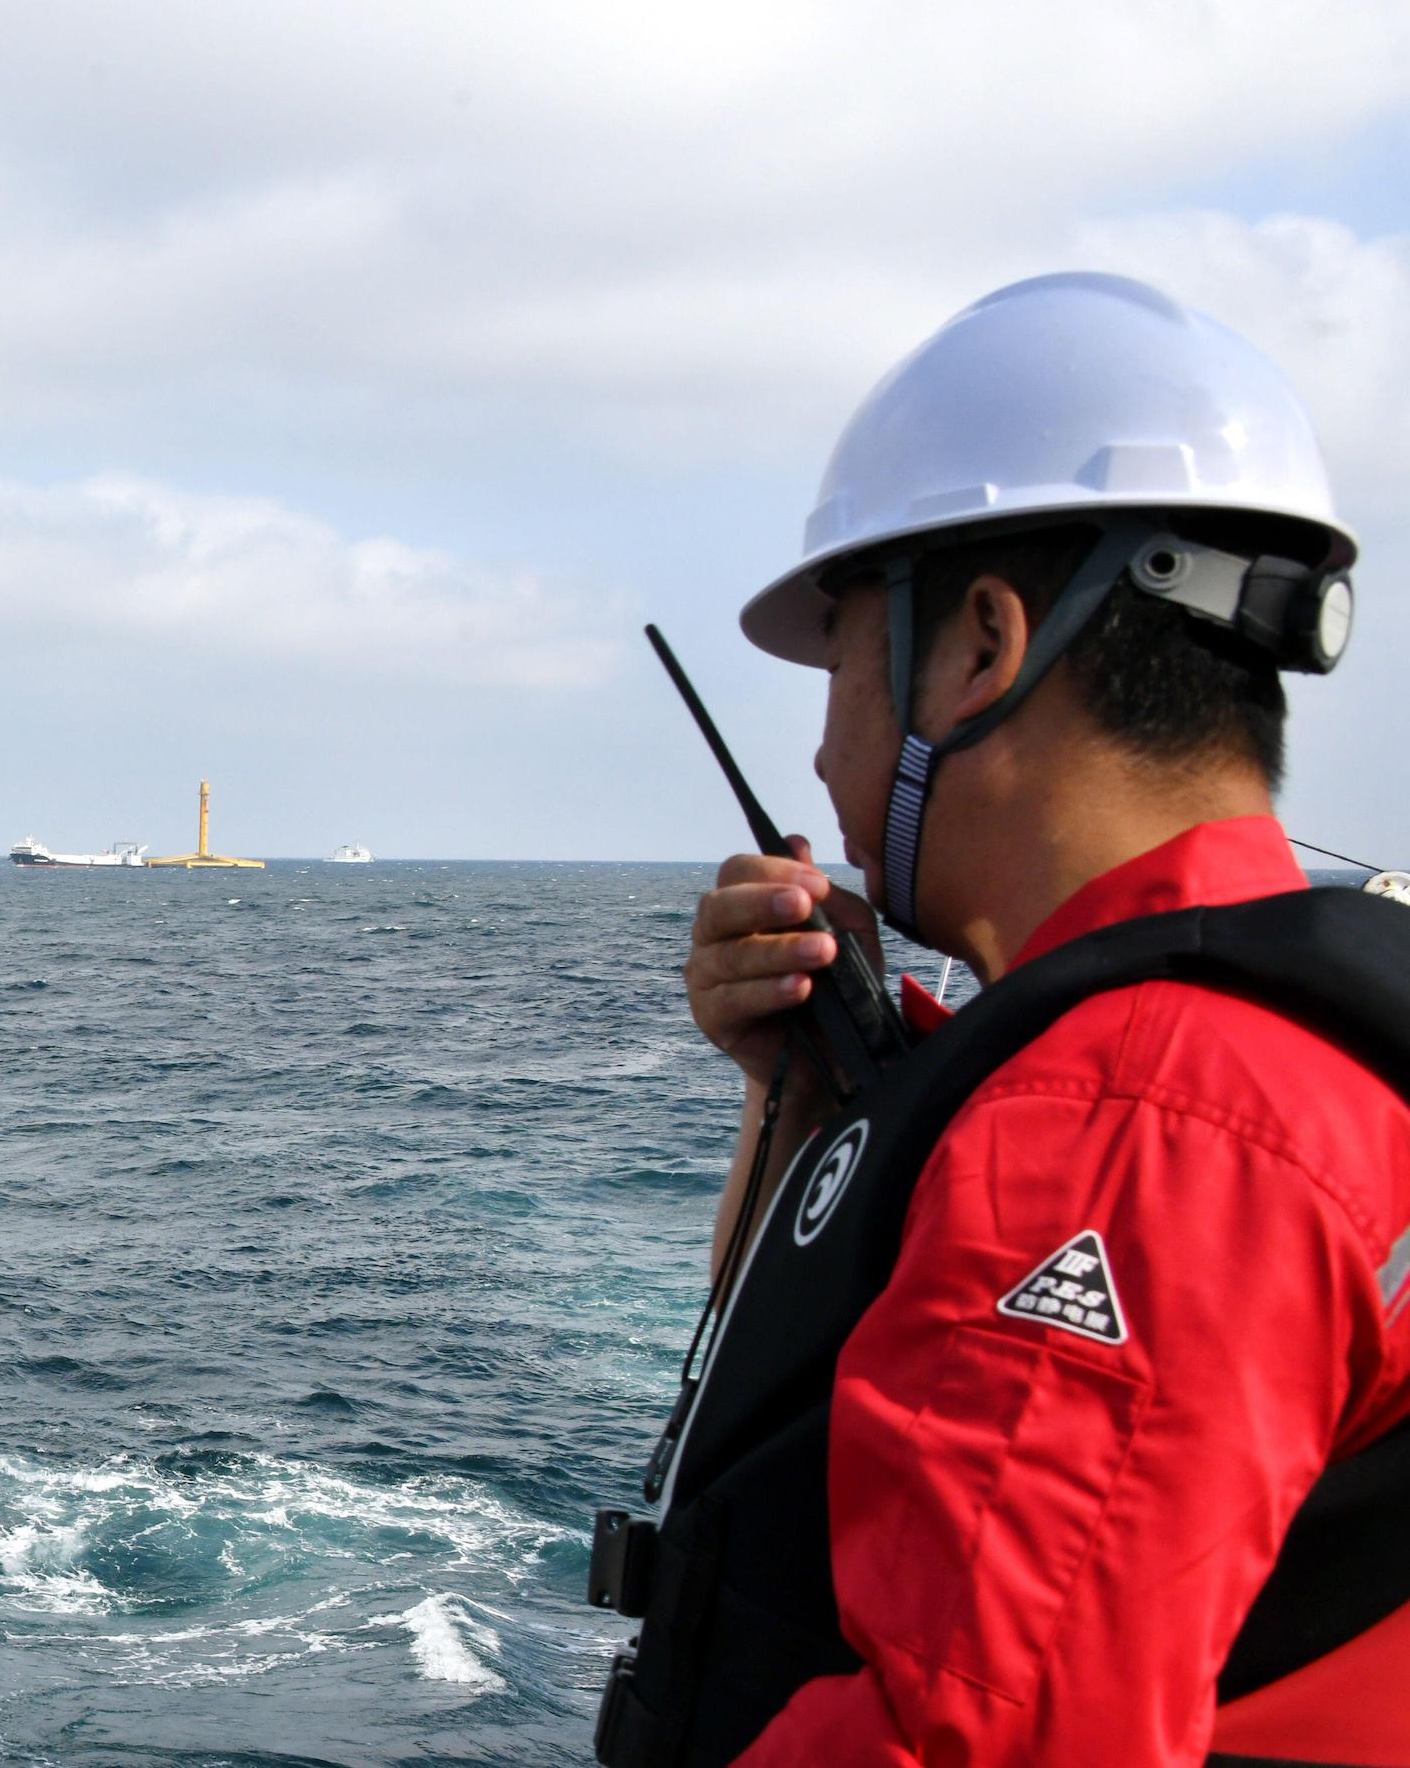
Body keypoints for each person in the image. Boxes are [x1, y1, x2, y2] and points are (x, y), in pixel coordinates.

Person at [590, 274, 1410, 1766]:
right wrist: (802, 1094)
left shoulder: (1131, 1116)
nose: (820, 748)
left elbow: (984, 1739)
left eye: (841, 656)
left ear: (981, 644)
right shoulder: (1267, 1032)